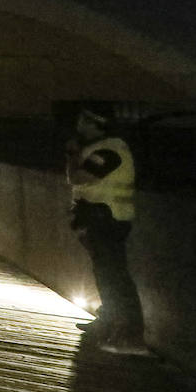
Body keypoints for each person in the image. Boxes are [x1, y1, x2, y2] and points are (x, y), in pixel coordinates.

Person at [66, 107, 147, 355]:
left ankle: (132, 337)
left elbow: (79, 178)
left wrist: (71, 154)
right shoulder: (99, 149)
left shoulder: (111, 150)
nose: (79, 124)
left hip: (109, 222)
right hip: (100, 220)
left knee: (115, 276)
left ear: (96, 124)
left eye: (84, 120)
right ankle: (109, 321)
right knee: (105, 274)